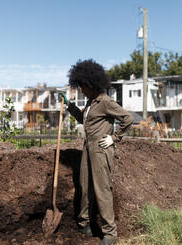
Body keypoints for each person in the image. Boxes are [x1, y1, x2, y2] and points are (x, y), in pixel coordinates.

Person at [61, 59, 133, 245]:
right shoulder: (91, 102)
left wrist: (114, 138)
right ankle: (84, 224)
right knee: (85, 186)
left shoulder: (105, 102)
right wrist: (69, 104)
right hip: (88, 146)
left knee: (102, 189)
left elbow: (127, 118)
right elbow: (83, 120)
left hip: (101, 149)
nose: (82, 90)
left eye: (83, 86)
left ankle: (110, 234)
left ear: (92, 84)